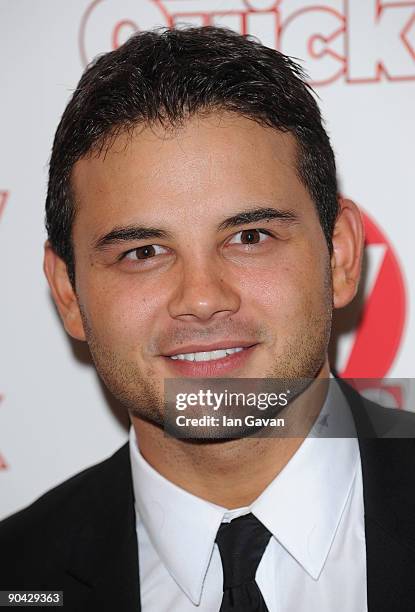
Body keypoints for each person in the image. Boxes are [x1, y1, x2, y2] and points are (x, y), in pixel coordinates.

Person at [1, 25, 415, 612]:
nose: (201, 298)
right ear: (68, 292)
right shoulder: (18, 575)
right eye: (142, 252)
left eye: (249, 236)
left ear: (341, 256)